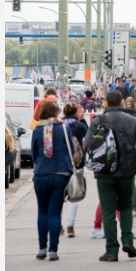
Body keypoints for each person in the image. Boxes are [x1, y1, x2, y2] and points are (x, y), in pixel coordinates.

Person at [84, 90, 136, 262]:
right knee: (126, 207)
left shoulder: (98, 121)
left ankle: (111, 250)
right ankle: (128, 240)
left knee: (108, 211)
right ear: (122, 103)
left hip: (104, 173)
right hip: (127, 172)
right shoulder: (133, 120)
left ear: (106, 103)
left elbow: (88, 145)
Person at [31, 100, 74, 261]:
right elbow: (71, 149)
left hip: (41, 174)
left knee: (42, 212)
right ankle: (53, 251)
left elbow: (34, 155)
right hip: (60, 174)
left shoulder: (37, 130)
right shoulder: (64, 128)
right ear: (57, 113)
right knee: (55, 213)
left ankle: (42, 248)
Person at [60, 102, 87, 238]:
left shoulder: (58, 125)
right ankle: (71, 225)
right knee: (74, 196)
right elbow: (87, 137)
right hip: (76, 165)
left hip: (60, 165)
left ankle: (58, 225)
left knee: (58, 196)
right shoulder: (80, 126)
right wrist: (82, 119)